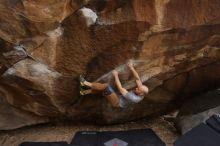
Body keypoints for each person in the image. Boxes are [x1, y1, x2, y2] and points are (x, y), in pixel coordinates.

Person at [79, 61, 149, 108]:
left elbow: (120, 88)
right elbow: (137, 79)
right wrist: (131, 68)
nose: (136, 88)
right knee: (103, 89)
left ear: (141, 94)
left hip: (117, 102)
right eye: (138, 88)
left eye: (138, 89)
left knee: (106, 87)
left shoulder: (133, 98)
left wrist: (116, 75)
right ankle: (83, 92)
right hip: (120, 96)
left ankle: (85, 83)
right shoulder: (142, 91)